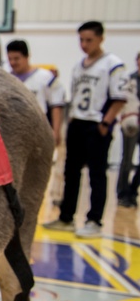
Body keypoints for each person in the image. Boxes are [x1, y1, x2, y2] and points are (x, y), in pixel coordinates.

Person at [43, 22, 130, 237]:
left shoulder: (113, 64)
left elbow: (119, 98)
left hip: (97, 125)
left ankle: (94, 221)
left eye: (89, 40)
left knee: (96, 174)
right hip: (77, 123)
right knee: (71, 172)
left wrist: (105, 123)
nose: (84, 44)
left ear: (101, 38)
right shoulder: (79, 65)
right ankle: (66, 218)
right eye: (81, 40)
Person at [6, 40, 67, 147]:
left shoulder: (45, 77)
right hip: (14, 132)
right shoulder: (6, 78)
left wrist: (56, 131)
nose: (13, 63)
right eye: (10, 59)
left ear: (27, 57)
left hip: (39, 130)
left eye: (16, 58)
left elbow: (56, 105)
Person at [116, 53, 140, 208]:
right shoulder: (129, 80)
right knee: (127, 159)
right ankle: (122, 193)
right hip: (131, 124)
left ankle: (133, 191)